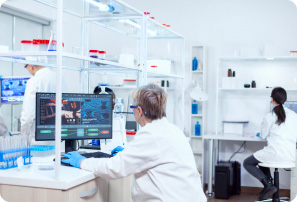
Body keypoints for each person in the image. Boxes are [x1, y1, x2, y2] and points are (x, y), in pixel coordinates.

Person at [63, 84, 207, 202]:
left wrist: (82, 161)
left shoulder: (151, 134)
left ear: (139, 111)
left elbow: (114, 168)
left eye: (132, 108)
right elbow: (153, 156)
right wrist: (127, 153)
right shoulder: (171, 129)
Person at [243, 87, 297, 201]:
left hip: (274, 154)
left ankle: (268, 185)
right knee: (262, 159)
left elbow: (263, 135)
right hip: (291, 157)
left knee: (248, 162)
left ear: (272, 99)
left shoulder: (269, 116)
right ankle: (269, 185)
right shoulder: (294, 115)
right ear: (285, 99)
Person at [20, 61, 66, 145]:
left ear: (30, 66)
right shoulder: (59, 77)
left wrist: (23, 138)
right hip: (57, 140)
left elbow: (27, 117)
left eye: (25, 67)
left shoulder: (34, 81)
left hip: (37, 142)